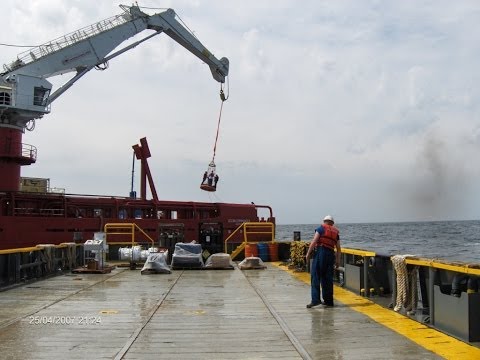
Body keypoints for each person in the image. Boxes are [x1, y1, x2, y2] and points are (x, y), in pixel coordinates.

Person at [305, 215, 341, 308]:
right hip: (330, 255)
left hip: (321, 253)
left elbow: (314, 241)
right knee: (327, 278)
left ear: (324, 221)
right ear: (332, 223)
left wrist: (308, 253)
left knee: (315, 276)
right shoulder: (336, 232)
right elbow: (338, 248)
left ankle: (315, 300)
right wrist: (337, 261)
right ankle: (329, 301)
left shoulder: (321, 229)